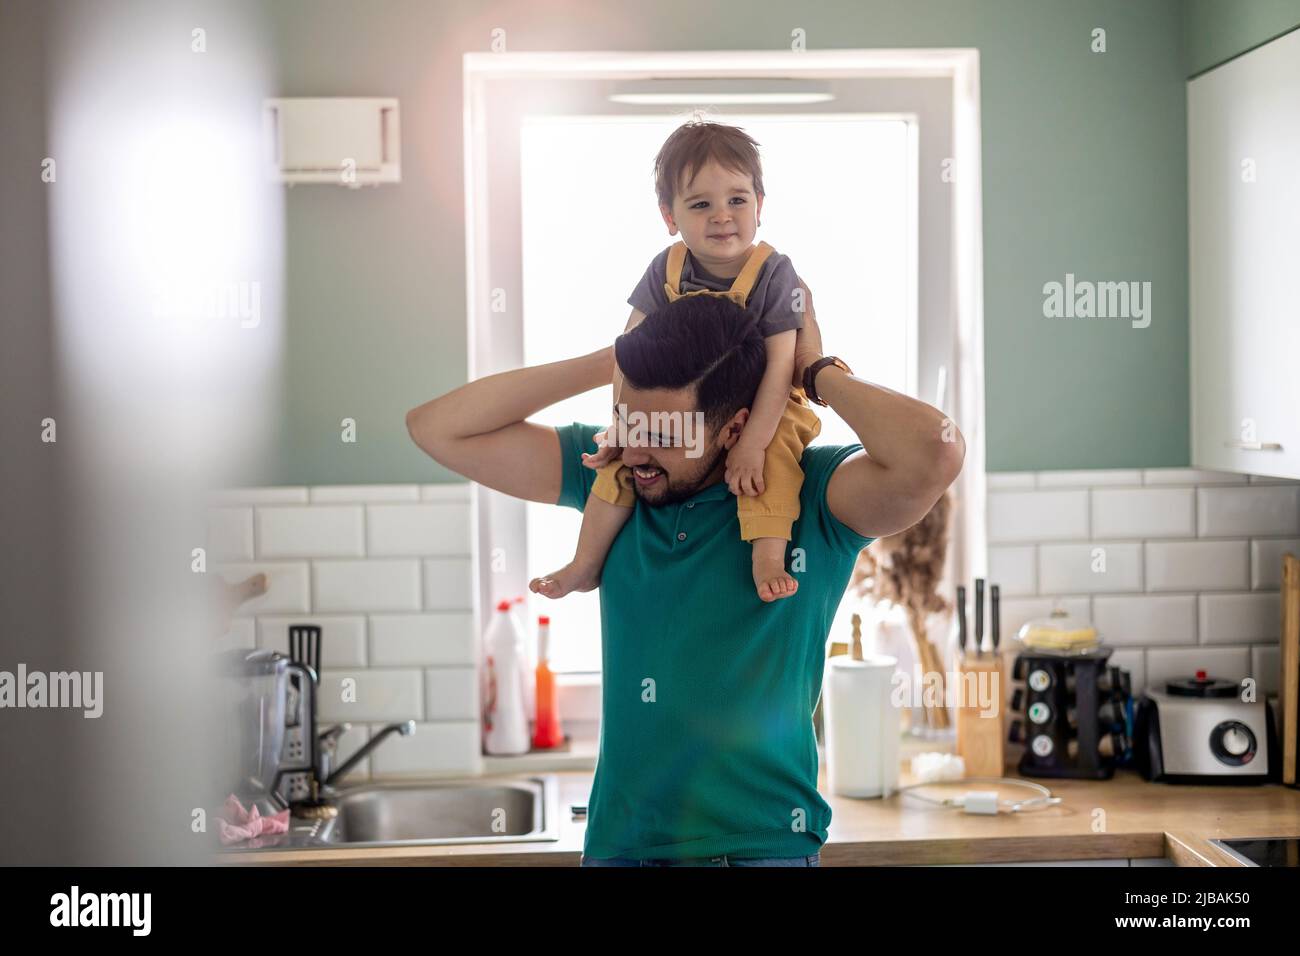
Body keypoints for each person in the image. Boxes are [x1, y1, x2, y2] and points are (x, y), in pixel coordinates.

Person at [405, 290, 964, 866]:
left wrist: (813, 373)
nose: (640, 451)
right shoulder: (612, 480)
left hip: (756, 850)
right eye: (629, 422)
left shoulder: (810, 492)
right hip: (619, 850)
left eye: (667, 436)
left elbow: (935, 452)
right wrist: (612, 362)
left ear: (735, 429)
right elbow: (436, 428)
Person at [529, 119, 819, 603]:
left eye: (737, 200)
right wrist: (621, 428)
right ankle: (584, 563)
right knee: (621, 463)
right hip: (689, 415)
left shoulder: (775, 273)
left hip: (766, 405)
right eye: (701, 204)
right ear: (669, 215)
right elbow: (628, 354)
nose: (722, 216)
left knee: (776, 460)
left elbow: (779, 368)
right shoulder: (666, 267)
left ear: (760, 206)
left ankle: (767, 555)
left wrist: (750, 444)